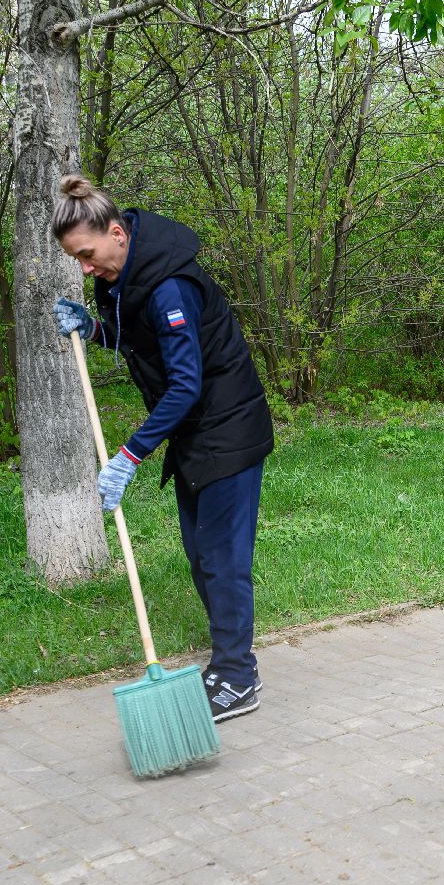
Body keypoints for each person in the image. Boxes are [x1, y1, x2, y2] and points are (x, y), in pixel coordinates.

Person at [50, 175, 275, 723]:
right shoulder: (127, 278)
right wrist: (97, 331)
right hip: (197, 431)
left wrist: (129, 455)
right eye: (76, 260)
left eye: (87, 254)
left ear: (118, 233)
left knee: (221, 559)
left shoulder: (169, 285)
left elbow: (184, 385)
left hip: (227, 428)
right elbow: (141, 338)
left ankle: (237, 677)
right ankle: (228, 665)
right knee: (202, 556)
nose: (85, 268)